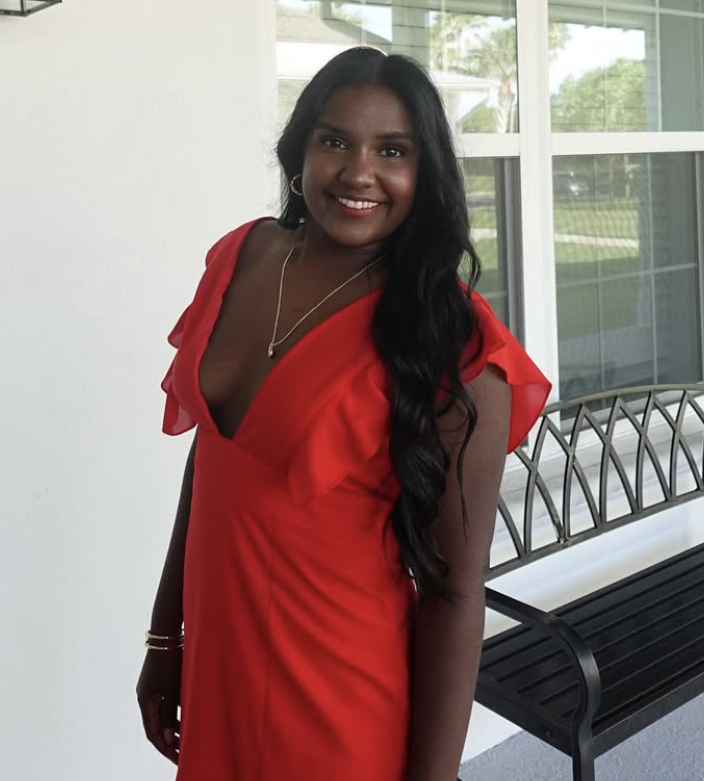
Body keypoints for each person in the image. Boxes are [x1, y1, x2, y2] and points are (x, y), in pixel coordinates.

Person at [136, 46, 551, 781]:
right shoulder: (241, 257)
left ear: (425, 174)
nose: (359, 172)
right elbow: (211, 465)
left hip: (338, 700)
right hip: (220, 669)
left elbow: (455, 595)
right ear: (299, 152)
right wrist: (164, 637)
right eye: (335, 140)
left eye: (392, 150)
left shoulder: (451, 342)